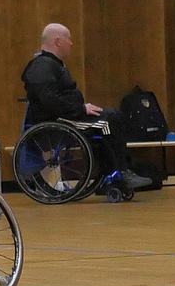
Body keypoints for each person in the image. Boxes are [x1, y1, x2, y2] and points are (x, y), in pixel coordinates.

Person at [22, 24, 152, 202]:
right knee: (104, 123)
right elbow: (50, 101)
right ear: (58, 41)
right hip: (55, 122)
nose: (72, 43)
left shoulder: (52, 65)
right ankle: (117, 173)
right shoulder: (41, 67)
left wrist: (81, 107)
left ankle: (120, 169)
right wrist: (81, 109)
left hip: (67, 116)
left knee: (115, 115)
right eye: (68, 38)